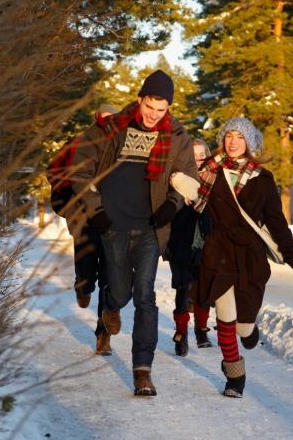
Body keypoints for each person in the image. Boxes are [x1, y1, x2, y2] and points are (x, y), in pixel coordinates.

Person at [70, 70, 199, 396]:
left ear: (168, 107)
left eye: (161, 109)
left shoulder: (177, 135)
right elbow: (80, 169)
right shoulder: (111, 128)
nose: (154, 115)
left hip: (150, 228)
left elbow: (188, 176)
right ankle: (110, 306)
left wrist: (172, 205)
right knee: (119, 291)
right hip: (112, 225)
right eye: (149, 107)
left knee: (145, 296)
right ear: (140, 99)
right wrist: (96, 211)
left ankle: (143, 370)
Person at [189, 117, 293, 398]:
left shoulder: (262, 179)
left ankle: (248, 330)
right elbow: (190, 201)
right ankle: (235, 375)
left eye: (240, 137)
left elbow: (277, 225)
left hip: (249, 257)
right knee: (225, 315)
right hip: (219, 251)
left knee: (242, 325)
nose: (233, 142)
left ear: (249, 143)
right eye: (229, 136)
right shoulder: (209, 171)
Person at [47, 104, 118, 356]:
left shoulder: (123, 145)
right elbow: (53, 170)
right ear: (97, 118)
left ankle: (103, 334)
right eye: (105, 118)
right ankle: (83, 286)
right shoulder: (79, 141)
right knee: (86, 264)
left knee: (110, 275)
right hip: (83, 216)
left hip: (112, 217)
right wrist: (68, 198)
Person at [164, 138, 213, 356]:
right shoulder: (175, 179)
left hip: (206, 242)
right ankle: (181, 333)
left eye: (202, 155)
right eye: (194, 156)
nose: (198, 160)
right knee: (183, 288)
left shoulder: (214, 180)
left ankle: (201, 330)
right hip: (180, 243)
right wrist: (178, 195)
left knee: (203, 288)